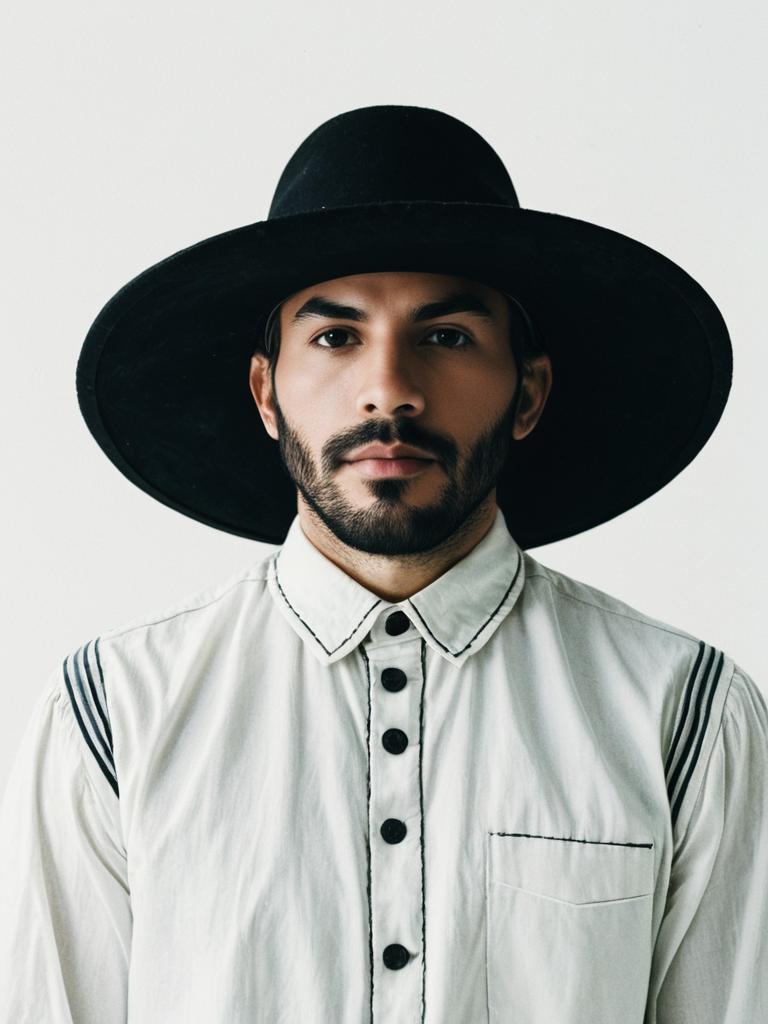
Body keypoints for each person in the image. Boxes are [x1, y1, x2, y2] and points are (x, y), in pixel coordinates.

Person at [0, 104, 765, 1023]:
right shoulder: (116, 712)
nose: (390, 391)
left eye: (446, 337)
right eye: (335, 337)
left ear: (528, 392)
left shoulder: (683, 713)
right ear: (266, 393)